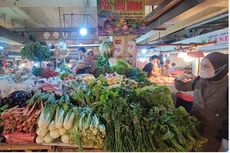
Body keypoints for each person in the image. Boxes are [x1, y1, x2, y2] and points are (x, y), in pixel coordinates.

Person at [174, 52, 228, 152]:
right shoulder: (200, 80)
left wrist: (226, 137)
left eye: (206, 66)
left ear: (220, 68)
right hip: (193, 127)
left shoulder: (227, 87)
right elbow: (181, 87)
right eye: (201, 65)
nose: (202, 69)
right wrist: (178, 79)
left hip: (213, 133)